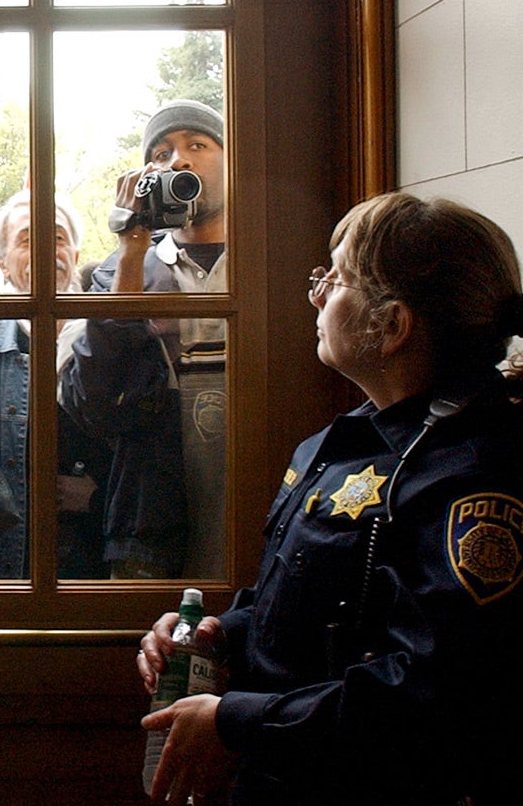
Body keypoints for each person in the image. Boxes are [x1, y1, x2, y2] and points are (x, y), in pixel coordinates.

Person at [137, 192, 523, 806]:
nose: (316, 294)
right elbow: (315, 609)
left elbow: (436, 690)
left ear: (391, 325)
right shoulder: (345, 443)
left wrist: (237, 721)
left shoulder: (474, 475)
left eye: (336, 279)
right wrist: (220, 633)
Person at [59, 99, 227, 579]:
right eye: (161, 153)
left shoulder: (267, 260)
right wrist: (132, 251)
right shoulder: (119, 273)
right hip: (151, 528)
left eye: (197, 144)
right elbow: (95, 406)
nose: (179, 160)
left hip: (254, 503)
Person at [0, 191, 111, 579]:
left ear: (76, 257)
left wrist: (98, 499)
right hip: (1, 577)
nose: (47, 249)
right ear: (2, 264)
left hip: (97, 579)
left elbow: (147, 466)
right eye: (29, 239)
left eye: (59, 237)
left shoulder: (113, 343)